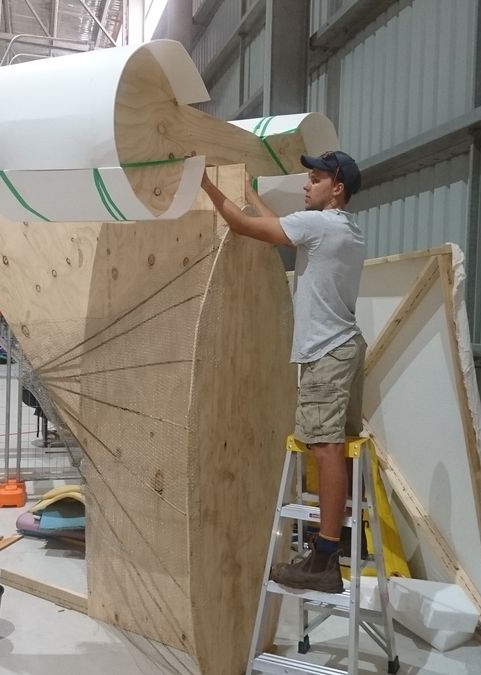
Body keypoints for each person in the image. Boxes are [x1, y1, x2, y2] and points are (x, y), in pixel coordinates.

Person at [200, 151, 365, 594]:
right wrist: (248, 191)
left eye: (316, 179)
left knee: (325, 449)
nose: (306, 185)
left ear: (337, 189)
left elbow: (244, 227)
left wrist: (205, 185)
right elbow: (279, 227)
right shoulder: (345, 230)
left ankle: (324, 559)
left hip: (326, 354)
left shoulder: (320, 226)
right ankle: (332, 547)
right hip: (345, 347)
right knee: (333, 448)